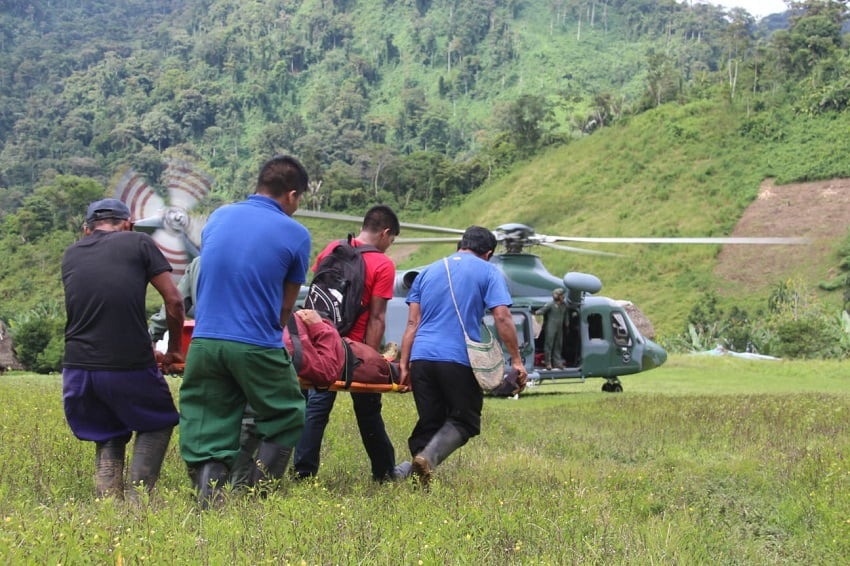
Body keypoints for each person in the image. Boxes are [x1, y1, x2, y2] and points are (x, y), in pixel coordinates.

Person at [178, 155, 311, 506]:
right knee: (286, 413)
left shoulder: (218, 217)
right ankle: (255, 496)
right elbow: (285, 307)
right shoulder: (296, 234)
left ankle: (211, 502)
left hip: (204, 342)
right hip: (255, 343)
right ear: (292, 195)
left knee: (209, 424)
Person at [61, 198, 185, 500]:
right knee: (158, 423)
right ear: (127, 224)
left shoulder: (71, 254)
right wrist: (175, 350)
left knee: (107, 431)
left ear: (86, 230)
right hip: (125, 363)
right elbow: (175, 301)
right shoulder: (139, 242)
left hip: (76, 368)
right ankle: (138, 501)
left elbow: (100, 305)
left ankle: (108, 504)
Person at [399, 226, 527, 487]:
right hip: (456, 358)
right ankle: (427, 459)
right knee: (465, 419)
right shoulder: (489, 271)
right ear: (488, 253)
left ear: (461, 245)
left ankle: (415, 480)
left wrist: (403, 364)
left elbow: (412, 323)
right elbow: (501, 316)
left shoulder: (427, 271)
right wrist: (516, 360)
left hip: (421, 358)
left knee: (431, 420)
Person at [293, 205, 404, 482]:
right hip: (351, 350)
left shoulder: (332, 248)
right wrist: (370, 357)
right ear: (386, 233)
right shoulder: (383, 265)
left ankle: (303, 473)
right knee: (368, 409)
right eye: (391, 241)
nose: (389, 247)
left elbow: (317, 296)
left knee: (315, 407)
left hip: (319, 341)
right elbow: (377, 317)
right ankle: (384, 472)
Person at [537, 287, 567, 370]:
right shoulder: (550, 304)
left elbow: (566, 315)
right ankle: (548, 363)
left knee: (558, 345)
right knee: (549, 344)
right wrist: (536, 313)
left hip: (559, 327)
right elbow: (542, 311)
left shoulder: (563, 305)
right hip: (551, 327)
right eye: (561, 295)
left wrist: (567, 323)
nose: (563, 297)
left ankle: (557, 362)